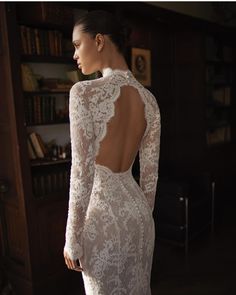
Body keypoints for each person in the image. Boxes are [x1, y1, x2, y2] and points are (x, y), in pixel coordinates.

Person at [63, 10, 161, 295]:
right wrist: (141, 218)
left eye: (77, 45)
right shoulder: (149, 101)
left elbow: (81, 173)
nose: (75, 55)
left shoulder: (82, 93)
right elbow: (150, 179)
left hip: (100, 221)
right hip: (140, 218)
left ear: (99, 41)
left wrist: (72, 238)